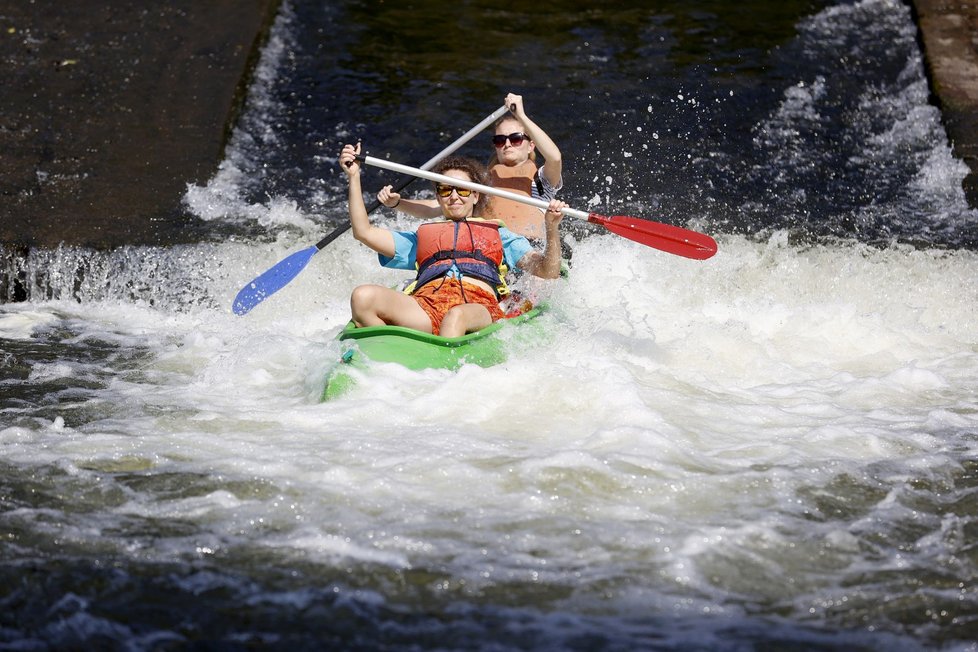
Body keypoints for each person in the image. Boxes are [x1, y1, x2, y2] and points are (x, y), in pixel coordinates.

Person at [339, 143, 566, 338]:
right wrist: (354, 177)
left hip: (478, 307)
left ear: (476, 195)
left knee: (455, 316)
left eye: (463, 190)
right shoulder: (422, 237)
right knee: (362, 297)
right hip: (427, 305)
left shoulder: (499, 234)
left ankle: (443, 371)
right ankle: (391, 350)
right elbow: (363, 232)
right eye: (446, 190)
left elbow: (549, 271)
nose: (454, 196)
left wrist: (551, 227)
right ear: (438, 196)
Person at [377, 93, 563, 244]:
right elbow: (437, 206)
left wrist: (521, 115)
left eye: (515, 138)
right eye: (500, 140)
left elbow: (555, 157)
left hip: (530, 249)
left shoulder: (541, 180)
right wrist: (397, 203)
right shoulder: (480, 182)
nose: (507, 144)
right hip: (487, 248)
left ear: (531, 145)